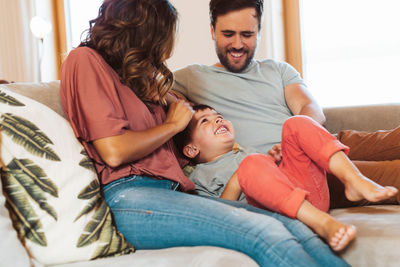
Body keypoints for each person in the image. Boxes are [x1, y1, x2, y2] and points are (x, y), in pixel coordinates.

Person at [59, 0, 350, 266]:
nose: (163, 51)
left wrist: (159, 93)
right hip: (130, 196)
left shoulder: (136, 78)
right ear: (142, 33)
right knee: (261, 230)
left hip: (173, 192)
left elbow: (186, 110)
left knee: (293, 223)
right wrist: (171, 125)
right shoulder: (85, 60)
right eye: (160, 39)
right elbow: (113, 150)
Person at [172, 0, 400, 208]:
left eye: (247, 34)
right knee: (390, 174)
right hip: (289, 173)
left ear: (259, 31)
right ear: (212, 31)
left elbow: (310, 109)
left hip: (323, 142)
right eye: (228, 34)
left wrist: (294, 143)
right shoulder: (192, 78)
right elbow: (147, 92)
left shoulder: (278, 69)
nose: (238, 44)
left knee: (392, 138)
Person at [174, 104, 398, 251]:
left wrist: (277, 161)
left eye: (219, 116)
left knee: (296, 123)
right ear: (191, 150)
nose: (217, 120)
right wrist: (238, 178)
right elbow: (220, 217)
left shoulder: (246, 151)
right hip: (281, 216)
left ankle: (354, 180)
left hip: (307, 195)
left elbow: (274, 178)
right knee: (253, 163)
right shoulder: (199, 177)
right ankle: (323, 224)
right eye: (205, 121)